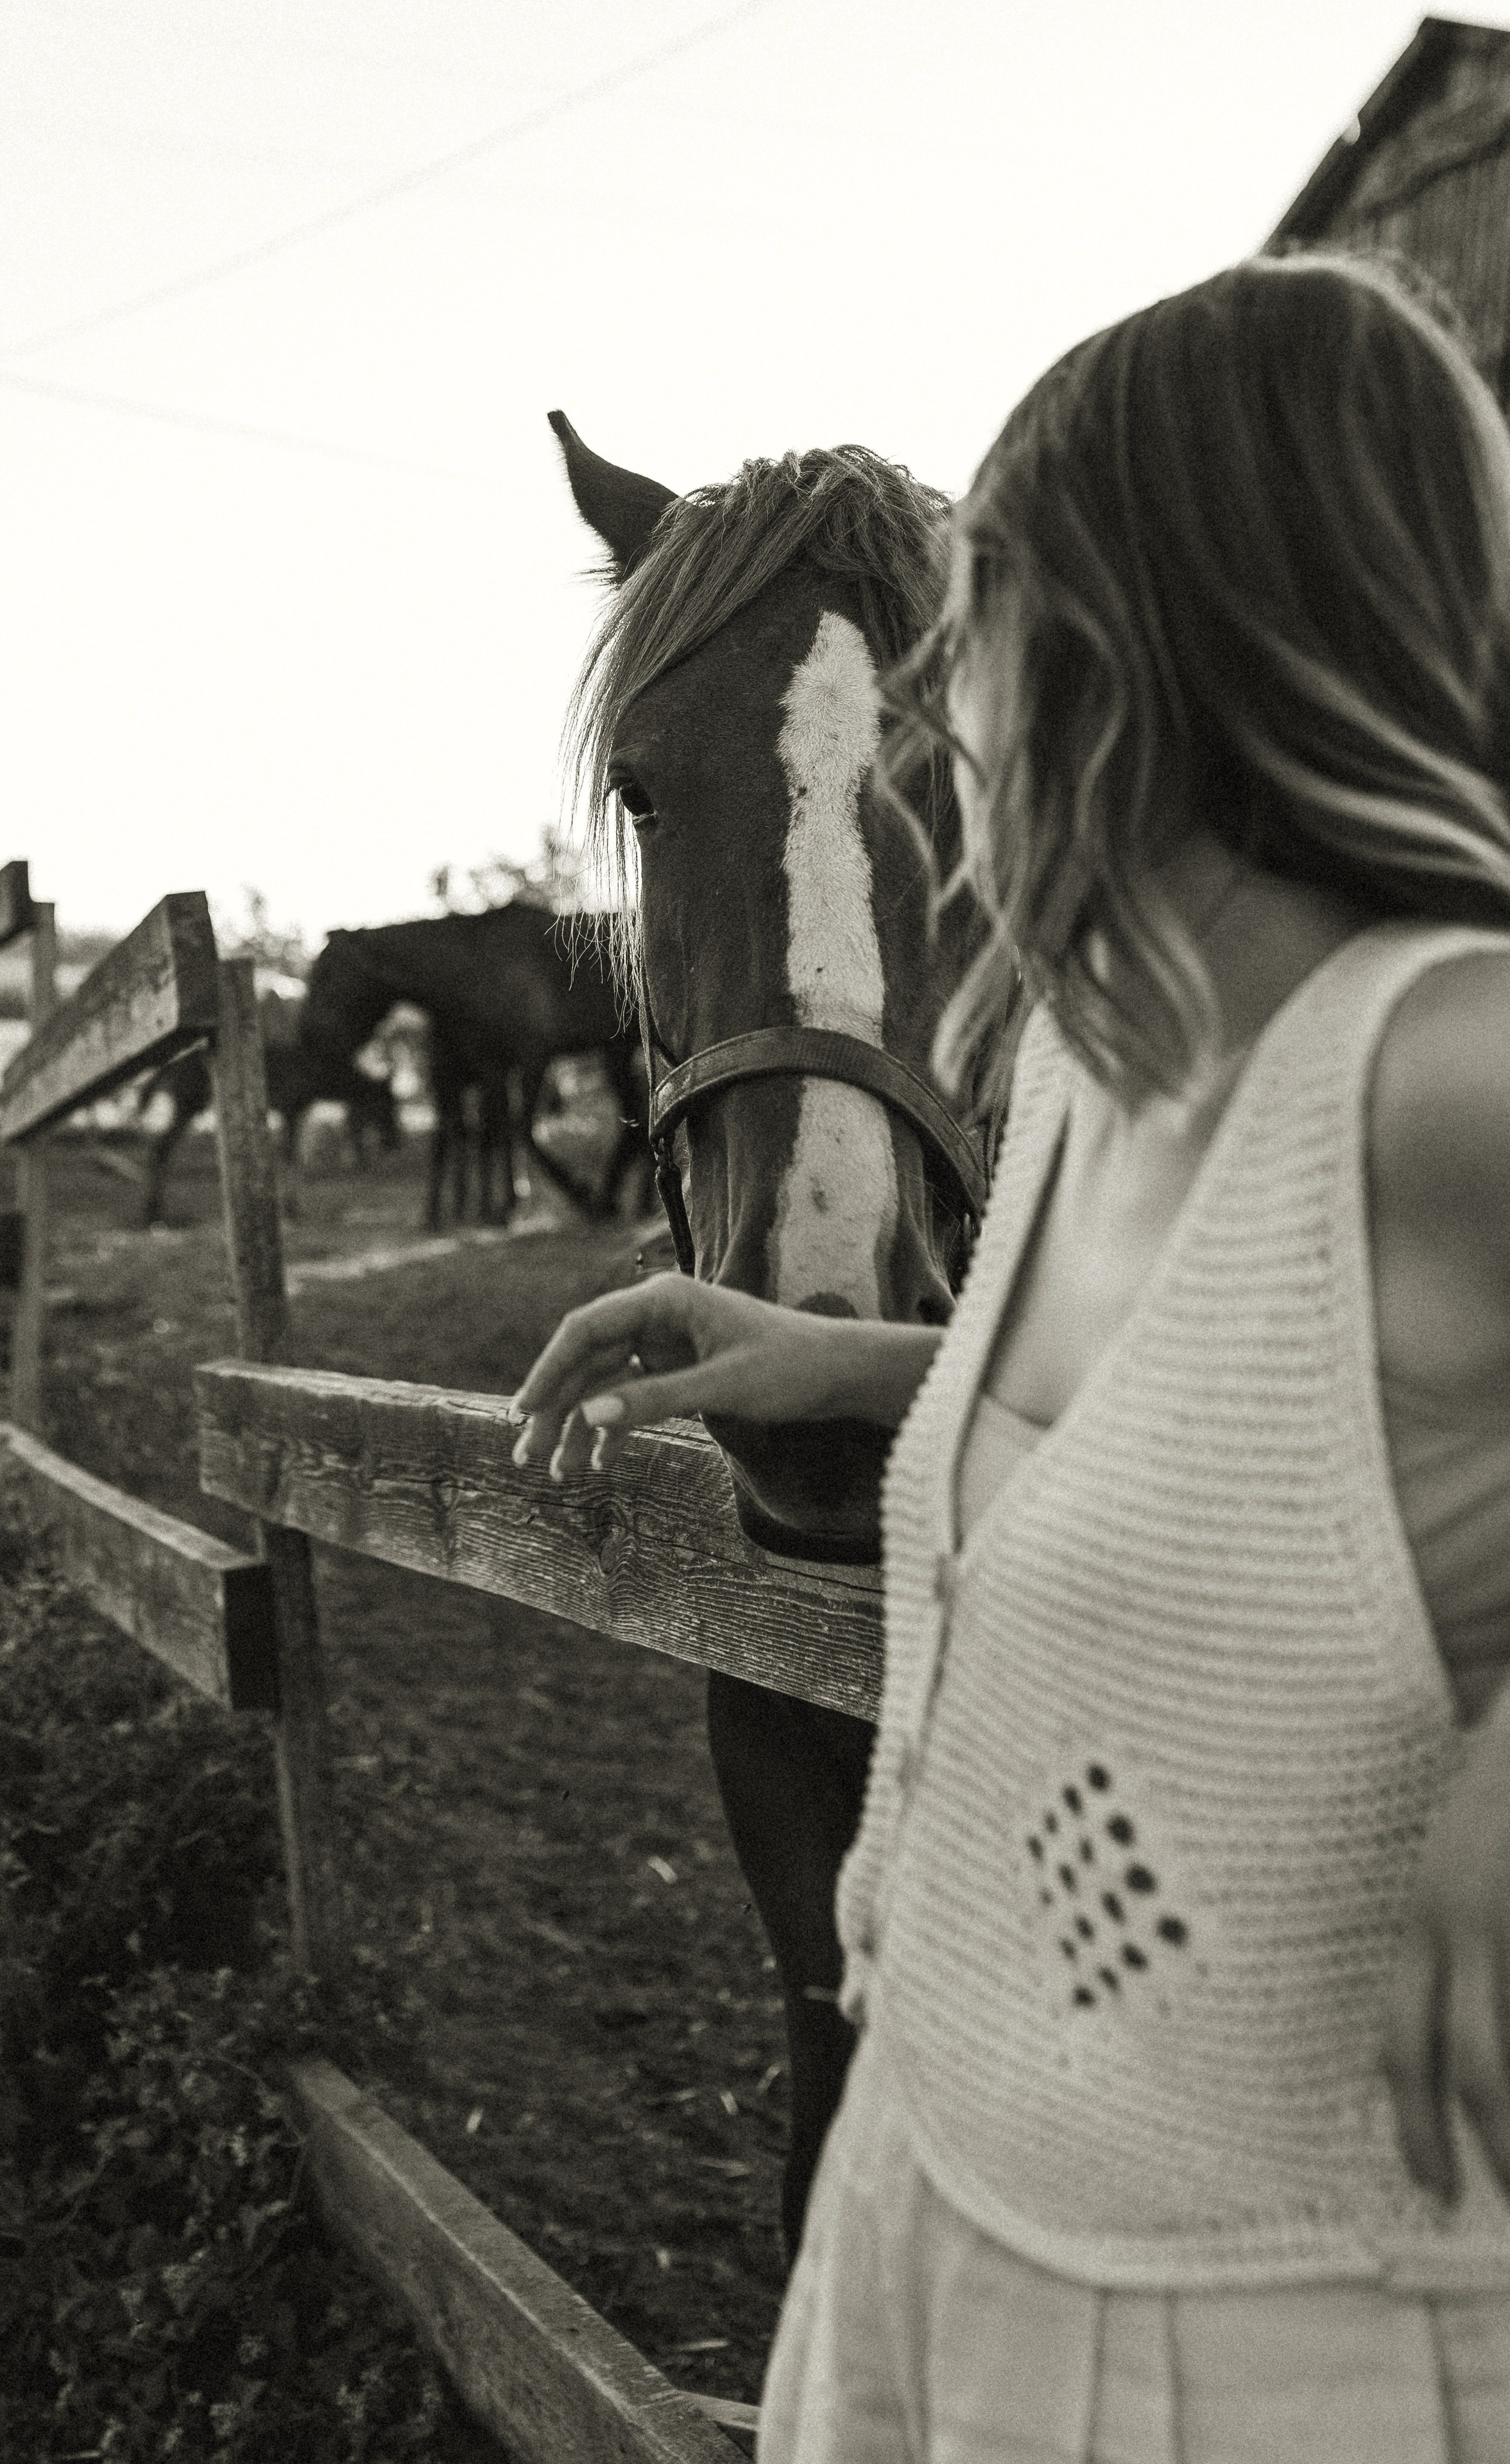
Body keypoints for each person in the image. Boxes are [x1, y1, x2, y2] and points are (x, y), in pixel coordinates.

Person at [510, 252, 1510, 2460]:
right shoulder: (1079, 1075)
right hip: (939, 2253)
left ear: (1205, 651)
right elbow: (1215, 1394)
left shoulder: (1447, 1056)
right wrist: (841, 1362)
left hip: (1256, 2353)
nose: (956, 725)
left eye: (997, 638)